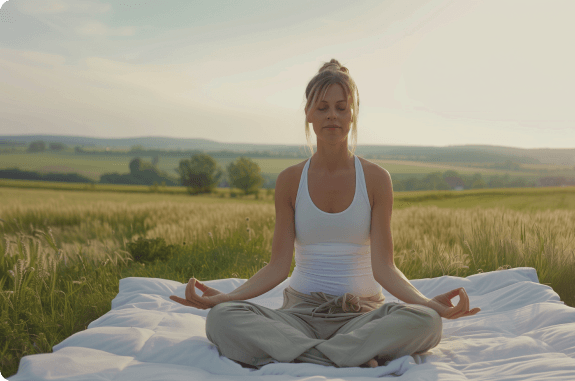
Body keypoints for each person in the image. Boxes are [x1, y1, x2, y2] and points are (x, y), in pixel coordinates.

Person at [170, 59, 481, 369]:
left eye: (341, 107)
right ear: (308, 114)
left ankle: (308, 355)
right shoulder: (290, 180)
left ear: (353, 115)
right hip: (300, 316)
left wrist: (427, 303)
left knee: (427, 321)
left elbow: (385, 267)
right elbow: (278, 266)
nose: (332, 115)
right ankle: (351, 356)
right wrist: (227, 298)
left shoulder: (376, 179)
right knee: (222, 320)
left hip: (363, 316)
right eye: (322, 107)